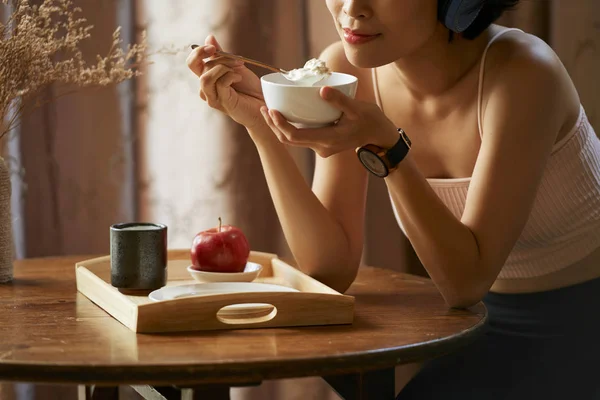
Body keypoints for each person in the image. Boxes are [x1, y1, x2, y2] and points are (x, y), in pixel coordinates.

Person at [187, 0, 600, 398]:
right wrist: (260, 121)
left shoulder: (524, 72)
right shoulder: (348, 71)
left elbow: (464, 283)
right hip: (473, 325)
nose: (352, 8)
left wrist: (389, 148)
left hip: (583, 323)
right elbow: (329, 268)